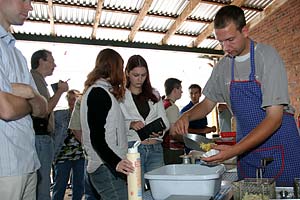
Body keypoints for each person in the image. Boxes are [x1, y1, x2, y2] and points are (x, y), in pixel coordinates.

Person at [174, 5, 300, 186]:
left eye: (231, 39)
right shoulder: (223, 67)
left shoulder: (267, 57)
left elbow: (274, 118)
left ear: (245, 31)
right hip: (248, 153)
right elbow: (208, 103)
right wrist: (187, 115)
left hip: (280, 148)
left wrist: (233, 151)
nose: (226, 47)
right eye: (221, 41)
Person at [0, 0, 48, 199]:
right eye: (24, 0)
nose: (29, 7)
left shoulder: (16, 53)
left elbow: (43, 108)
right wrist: (32, 99)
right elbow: (6, 109)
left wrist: (28, 91)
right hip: (5, 167)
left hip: (27, 160)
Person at [80, 48, 134, 200]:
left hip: (108, 166)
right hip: (105, 167)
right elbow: (96, 137)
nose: (122, 72)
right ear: (113, 67)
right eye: (121, 67)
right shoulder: (98, 93)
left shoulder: (103, 92)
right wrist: (116, 162)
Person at [119, 55, 169, 190]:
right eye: (136, 75)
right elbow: (114, 124)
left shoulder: (154, 94)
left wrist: (159, 131)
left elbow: (165, 121)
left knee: (160, 190)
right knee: (136, 191)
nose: (140, 79)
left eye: (143, 75)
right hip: (133, 149)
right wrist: (130, 124)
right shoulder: (119, 96)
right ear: (127, 73)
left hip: (156, 148)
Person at [30, 49, 69, 200]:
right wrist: (59, 92)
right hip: (40, 137)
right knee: (42, 185)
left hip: (41, 138)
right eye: (51, 61)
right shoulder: (34, 79)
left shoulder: (38, 81)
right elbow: (44, 110)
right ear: (41, 61)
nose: (55, 65)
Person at [52, 89, 85, 200]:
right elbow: (50, 127)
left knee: (79, 186)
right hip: (62, 156)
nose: (72, 101)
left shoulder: (83, 115)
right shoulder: (59, 114)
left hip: (80, 155)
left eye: (74, 99)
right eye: (69, 99)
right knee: (59, 185)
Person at [69, 96, 102, 200]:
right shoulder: (118, 95)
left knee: (92, 194)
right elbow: (75, 128)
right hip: (98, 154)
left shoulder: (83, 99)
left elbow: (75, 128)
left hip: (93, 154)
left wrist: (88, 145)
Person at [162, 78, 184, 164]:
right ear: (175, 90)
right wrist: (187, 140)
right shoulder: (172, 107)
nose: (181, 92)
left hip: (165, 147)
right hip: (173, 150)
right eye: (180, 89)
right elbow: (173, 133)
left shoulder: (163, 103)